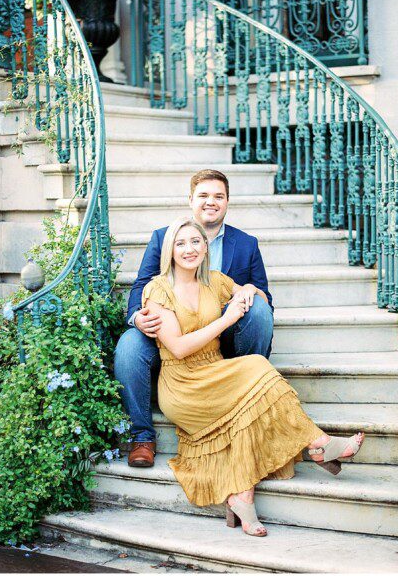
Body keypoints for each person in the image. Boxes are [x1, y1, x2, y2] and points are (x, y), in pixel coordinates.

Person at [144, 216, 364, 537]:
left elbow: (258, 296)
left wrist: (244, 290)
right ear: (170, 250)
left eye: (196, 242)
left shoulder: (215, 281)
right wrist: (227, 318)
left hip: (215, 370)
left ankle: (242, 496)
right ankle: (318, 445)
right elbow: (177, 347)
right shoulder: (158, 289)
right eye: (181, 243)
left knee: (249, 402)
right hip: (182, 384)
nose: (189, 249)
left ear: (206, 248)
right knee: (258, 371)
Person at [115, 169, 275, 467]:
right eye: (203, 195)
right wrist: (137, 317)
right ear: (191, 200)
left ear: (227, 201)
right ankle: (141, 436)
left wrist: (250, 290)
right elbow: (143, 284)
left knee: (261, 311)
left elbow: (264, 297)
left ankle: (248, 394)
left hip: (222, 335)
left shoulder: (246, 244)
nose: (210, 202)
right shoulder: (163, 237)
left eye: (218, 196)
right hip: (173, 331)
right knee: (128, 346)